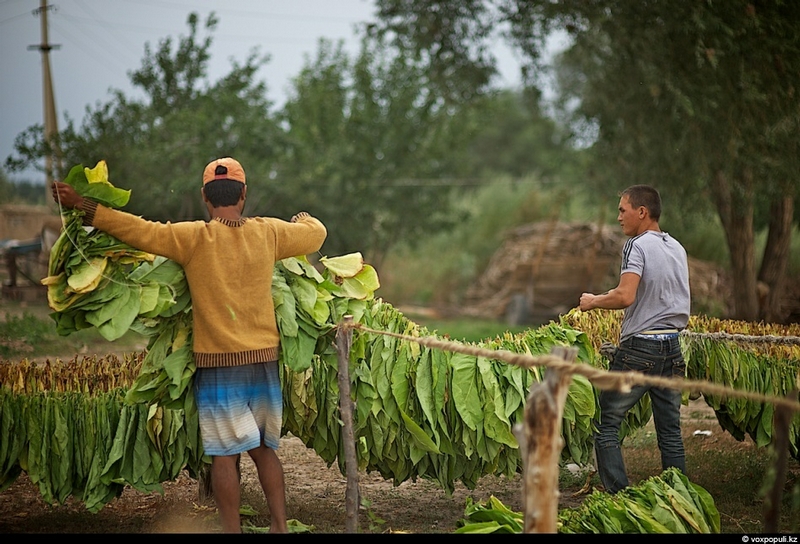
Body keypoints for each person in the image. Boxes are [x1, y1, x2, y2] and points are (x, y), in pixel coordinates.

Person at [52, 157, 327, 532]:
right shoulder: (269, 233)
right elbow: (316, 234)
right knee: (265, 451)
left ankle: (232, 531)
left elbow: (138, 230)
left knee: (225, 457)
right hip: (263, 360)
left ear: (205, 198)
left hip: (217, 366)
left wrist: (85, 206)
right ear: (244, 194)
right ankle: (280, 526)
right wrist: (303, 218)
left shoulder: (192, 237)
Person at [579, 184, 690, 493]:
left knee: (605, 424)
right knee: (670, 431)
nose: (618, 218)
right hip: (672, 348)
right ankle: (679, 495)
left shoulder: (637, 245)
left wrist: (593, 301)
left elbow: (625, 295)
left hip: (641, 349)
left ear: (642, 212)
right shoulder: (677, 247)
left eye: (622, 210)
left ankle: (619, 497)